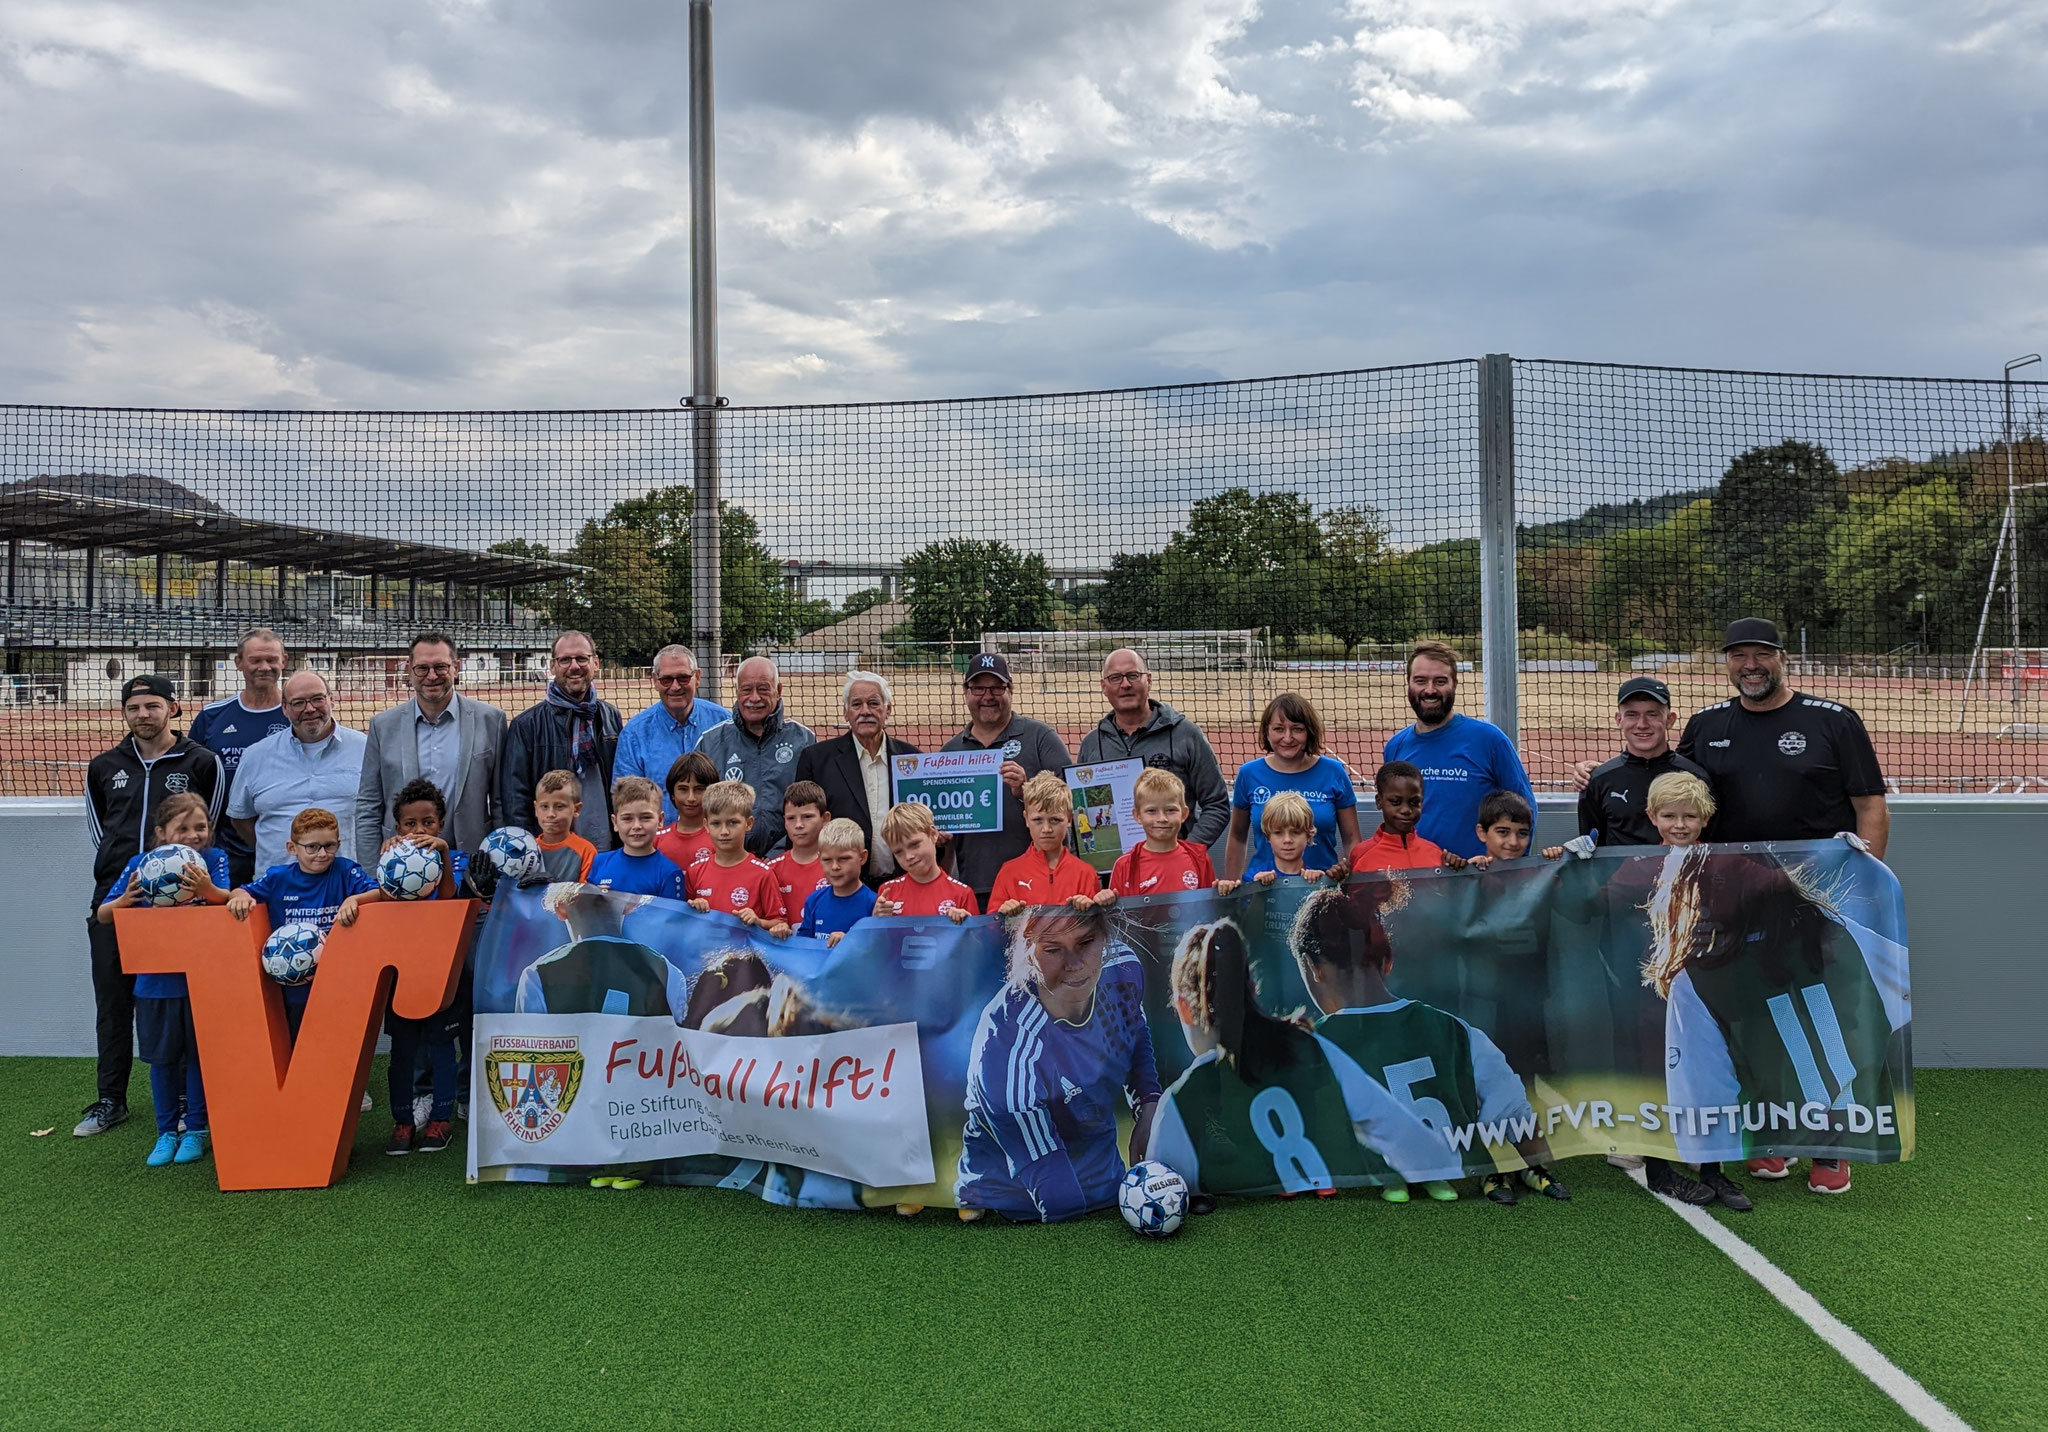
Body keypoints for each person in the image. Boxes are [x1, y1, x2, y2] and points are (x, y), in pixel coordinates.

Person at [1677, 617, 1890, 1197]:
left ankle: (1831, 1145)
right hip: (1735, 908)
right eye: (1738, 655)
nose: (1750, 664)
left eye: (1761, 654)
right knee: (1755, 1022)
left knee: (1824, 1024)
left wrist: (1864, 886)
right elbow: (1678, 802)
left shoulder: (1833, 721)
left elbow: (1869, 804)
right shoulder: (1706, 726)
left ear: (1782, 659)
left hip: (1813, 908)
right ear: (1726, 663)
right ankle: (1772, 1135)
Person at [1640, 772, 1906, 1203]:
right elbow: (1601, 892)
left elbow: (1782, 884)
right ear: (1652, 817)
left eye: (1689, 816)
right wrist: (1572, 859)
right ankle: (1733, 1151)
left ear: (1705, 819)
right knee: (1727, 1062)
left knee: (1814, 1051)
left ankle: (1828, 1146)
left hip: (1784, 968)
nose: (1679, 824)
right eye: (1669, 816)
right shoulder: (1642, 863)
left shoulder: (1723, 862)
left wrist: (1835, 852)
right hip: (1704, 983)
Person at [1293, 885, 1569, 1205]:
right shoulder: (1458, 1031)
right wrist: (1535, 1164)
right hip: (1461, 1193)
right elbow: (1514, 1115)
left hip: (1366, 1204)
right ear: (1388, 960)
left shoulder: (1313, 1046)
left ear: (1314, 969)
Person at [1149, 919, 1456, 1199]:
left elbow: (1160, 1197)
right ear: (1253, 990)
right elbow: (1405, 1134)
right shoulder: (1307, 1047)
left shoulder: (1180, 1101)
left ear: (1183, 1008)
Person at [78, 674, 225, 1138]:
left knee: (184, 1004)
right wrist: (128, 879)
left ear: (173, 709)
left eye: (153, 706)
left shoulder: (202, 760)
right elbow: (102, 830)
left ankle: (195, 1106)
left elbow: (208, 825)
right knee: (113, 1000)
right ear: (125, 713)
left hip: (184, 913)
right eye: (135, 707)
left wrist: (175, 884)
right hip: (120, 898)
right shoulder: (104, 765)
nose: (143, 715)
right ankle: (110, 1100)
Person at [955, 904, 1162, 1221]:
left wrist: (1148, 1104)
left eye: (1086, 943)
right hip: (1014, 1196)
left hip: (1107, 1181)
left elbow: (1134, 1030)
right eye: (1053, 949)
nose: (1075, 964)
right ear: (1028, 952)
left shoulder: (1122, 971)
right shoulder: (1006, 1038)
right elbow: (1050, 1182)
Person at [94, 792, 232, 1166]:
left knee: (199, 1058)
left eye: (200, 827)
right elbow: (104, 914)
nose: (193, 835)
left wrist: (207, 891)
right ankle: (166, 1132)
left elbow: (228, 904)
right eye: (182, 828)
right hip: (154, 984)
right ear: (161, 832)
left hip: (201, 981)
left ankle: (198, 1130)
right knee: (163, 1060)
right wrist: (123, 902)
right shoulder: (140, 864)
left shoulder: (213, 861)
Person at [227, 807, 382, 1042]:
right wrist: (239, 896)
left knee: (333, 1040)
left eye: (329, 846)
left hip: (336, 979)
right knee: (296, 1039)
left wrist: (355, 899)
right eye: (312, 847)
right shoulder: (278, 878)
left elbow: (380, 893)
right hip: (292, 984)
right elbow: (240, 891)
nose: (321, 853)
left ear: (338, 844)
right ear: (292, 848)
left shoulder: (345, 871)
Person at [374, 777, 467, 1157]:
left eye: (428, 823)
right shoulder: (390, 859)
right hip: (401, 976)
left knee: (442, 1045)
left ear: (440, 825)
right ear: (398, 828)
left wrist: (443, 854)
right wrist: (386, 862)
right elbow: (380, 897)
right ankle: (402, 1121)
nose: (419, 831)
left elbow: (448, 896)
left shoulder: (453, 857)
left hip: (443, 974)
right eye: (410, 825)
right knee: (403, 1051)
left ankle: (440, 1120)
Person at [354, 632, 506, 862]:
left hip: (472, 861)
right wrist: (371, 870)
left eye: (440, 667)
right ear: (410, 669)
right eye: (422, 668)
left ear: (456, 667)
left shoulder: (492, 721)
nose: (432, 676)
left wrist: (497, 864)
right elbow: (368, 805)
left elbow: (500, 803)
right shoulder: (382, 726)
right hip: (402, 862)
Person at [939, 653, 1074, 907]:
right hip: (973, 888)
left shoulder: (1041, 738)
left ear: (1010, 690)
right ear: (966, 691)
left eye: (996, 687)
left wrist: (1027, 790)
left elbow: (1072, 805)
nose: (987, 696)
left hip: (1039, 886)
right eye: (978, 688)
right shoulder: (950, 752)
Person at [1382, 641, 1534, 860]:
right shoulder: (1396, 747)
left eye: (1440, 681)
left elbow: (1526, 809)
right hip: (1419, 880)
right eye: (1420, 681)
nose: (1430, 690)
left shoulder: (1489, 740)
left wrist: (1511, 870)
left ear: (1455, 684)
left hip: (1478, 882)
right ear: (1408, 684)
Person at [1077, 649, 1229, 849]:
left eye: (1133, 675)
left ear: (1149, 680)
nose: (1125, 684)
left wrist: (1188, 851)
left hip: (1175, 872)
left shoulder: (1186, 734)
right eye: (1115, 678)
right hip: (1113, 874)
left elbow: (1217, 804)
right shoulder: (1091, 744)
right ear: (1104, 686)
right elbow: (1076, 812)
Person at [227, 670, 369, 874]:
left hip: (349, 887)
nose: (310, 709)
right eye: (298, 703)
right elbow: (241, 818)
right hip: (278, 889)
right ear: (284, 708)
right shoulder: (255, 756)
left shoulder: (365, 749)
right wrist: (275, 848)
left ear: (331, 700)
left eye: (317, 699)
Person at [500, 631, 623, 855]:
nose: (574, 666)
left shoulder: (610, 716)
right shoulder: (525, 725)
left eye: (581, 658)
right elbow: (515, 800)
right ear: (553, 666)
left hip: (606, 849)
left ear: (595, 663)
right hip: (553, 851)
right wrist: (531, 853)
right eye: (565, 660)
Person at [793, 670, 916, 884]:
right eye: (857, 704)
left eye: (873, 703)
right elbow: (800, 822)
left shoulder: (912, 759)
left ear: (888, 709)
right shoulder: (816, 760)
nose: (865, 711)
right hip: (843, 886)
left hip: (904, 883)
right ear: (846, 712)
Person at [189, 628, 290, 887]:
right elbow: (193, 782)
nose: (264, 667)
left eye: (271, 660)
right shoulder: (212, 717)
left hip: (289, 852)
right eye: (256, 660)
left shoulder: (300, 715)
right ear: (239, 663)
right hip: (227, 851)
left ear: (284, 661)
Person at [1224, 693, 1360, 881]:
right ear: (1267, 732)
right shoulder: (1249, 774)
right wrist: (1234, 891)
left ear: (1309, 731)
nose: (1287, 738)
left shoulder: (1334, 772)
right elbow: (1237, 837)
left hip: (1322, 887)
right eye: (1279, 729)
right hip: (1264, 888)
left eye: (1297, 729)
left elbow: (1352, 839)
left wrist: (1352, 880)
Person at [1575, 676, 1715, 850]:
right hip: (1620, 877)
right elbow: (1590, 846)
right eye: (1632, 715)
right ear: (1619, 720)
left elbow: (1710, 844)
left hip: (1681, 875)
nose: (1642, 724)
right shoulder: (1598, 780)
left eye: (1652, 714)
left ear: (1670, 720)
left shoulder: (1696, 778)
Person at [698, 656, 815, 857]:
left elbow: (815, 809)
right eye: (746, 690)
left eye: (763, 689)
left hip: (788, 860)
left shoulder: (804, 741)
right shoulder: (710, 742)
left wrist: (777, 856)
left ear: (778, 690)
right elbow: (698, 809)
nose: (754, 698)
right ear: (737, 692)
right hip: (728, 861)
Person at [612, 644, 732, 821]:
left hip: (717, 842)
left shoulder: (724, 723)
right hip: (657, 845)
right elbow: (625, 801)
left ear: (697, 677)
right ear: (655, 680)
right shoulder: (634, 734)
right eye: (666, 679)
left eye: (683, 678)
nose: (675, 687)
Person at [989, 772, 1102, 915]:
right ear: (1026, 818)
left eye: (1055, 820)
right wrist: (1002, 915)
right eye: (1038, 820)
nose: (1046, 829)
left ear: (1069, 819)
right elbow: (990, 930)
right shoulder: (1009, 872)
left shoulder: (1085, 873)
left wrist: (1089, 912)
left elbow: (1098, 930)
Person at [684, 780, 787, 933]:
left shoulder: (763, 873)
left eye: (733, 822)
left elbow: (781, 924)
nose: (724, 831)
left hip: (746, 956)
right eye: (716, 823)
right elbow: (684, 922)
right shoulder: (695, 871)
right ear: (706, 825)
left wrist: (757, 921)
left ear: (749, 823)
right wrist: (693, 908)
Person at [1098, 768, 1214, 901]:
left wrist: (1225, 891)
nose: (1162, 818)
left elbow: (1210, 910)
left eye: (1170, 810)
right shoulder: (1124, 866)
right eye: (1152, 811)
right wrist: (1105, 899)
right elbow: (1118, 917)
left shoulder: (1200, 859)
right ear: (1137, 816)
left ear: (1184, 814)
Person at [587, 777, 689, 901]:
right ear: (615, 822)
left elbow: (672, 919)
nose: (636, 826)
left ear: (660, 820)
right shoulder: (599, 862)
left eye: (645, 817)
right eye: (627, 818)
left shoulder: (669, 873)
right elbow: (587, 914)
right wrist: (592, 902)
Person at [1343, 761, 1453, 874]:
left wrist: (1454, 872)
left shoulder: (1436, 854)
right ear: (1379, 801)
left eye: (1414, 802)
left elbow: (1444, 890)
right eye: (1396, 802)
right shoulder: (1361, 855)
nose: (1406, 810)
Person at [874, 802, 977, 920]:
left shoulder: (962, 893)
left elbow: (976, 937)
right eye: (898, 852)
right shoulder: (888, 892)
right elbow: (877, 937)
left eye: (914, 845)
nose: (908, 856)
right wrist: (876, 919)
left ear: (933, 834)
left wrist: (965, 924)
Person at [1217, 792, 1329, 894]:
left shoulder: (1316, 879)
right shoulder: (1252, 878)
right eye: (1278, 833)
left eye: (1295, 832)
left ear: (1309, 835)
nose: (1287, 840)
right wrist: (1255, 889)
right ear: (1268, 836)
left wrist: (1321, 885)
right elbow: (1244, 914)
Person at [795, 819, 879, 945]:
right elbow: (802, 948)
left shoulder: (874, 904)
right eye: (827, 860)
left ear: (862, 857)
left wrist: (848, 942)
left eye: (843, 859)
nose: (835, 867)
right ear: (819, 859)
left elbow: (879, 952)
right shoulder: (814, 901)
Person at [768, 780, 832, 914]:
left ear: (825, 818)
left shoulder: (836, 866)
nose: (798, 825)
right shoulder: (772, 870)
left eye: (807, 817)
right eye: (791, 818)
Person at [655, 751, 718, 873]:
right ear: (672, 794)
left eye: (699, 789)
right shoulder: (657, 840)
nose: (691, 798)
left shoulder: (721, 838)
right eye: (683, 789)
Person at [532, 770, 597, 882]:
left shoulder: (585, 851)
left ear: (576, 809)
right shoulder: (528, 849)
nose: (551, 814)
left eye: (559, 806)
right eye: (544, 807)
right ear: (536, 808)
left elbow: (587, 894)